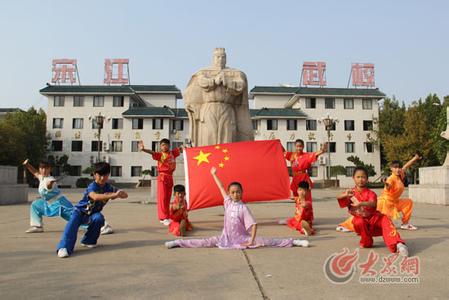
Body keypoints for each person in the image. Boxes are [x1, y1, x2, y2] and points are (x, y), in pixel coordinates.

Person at [165, 167, 309, 249]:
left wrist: (251, 240)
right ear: (230, 193)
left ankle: (294, 241)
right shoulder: (227, 201)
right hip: (225, 238)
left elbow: (253, 225)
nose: (235, 194)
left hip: (242, 239)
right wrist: (214, 174)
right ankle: (178, 243)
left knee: (268, 241)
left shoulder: (243, 208)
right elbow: (221, 187)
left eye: (238, 192)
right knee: (204, 242)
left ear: (242, 193)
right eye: (233, 192)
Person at [184, 47, 254, 146]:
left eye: (223, 57)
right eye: (218, 57)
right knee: (208, 137)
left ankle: (226, 161)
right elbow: (201, 82)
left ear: (226, 59)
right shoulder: (203, 72)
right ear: (213, 58)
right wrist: (214, 81)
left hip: (227, 108)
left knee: (227, 137)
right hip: (209, 107)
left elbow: (241, 85)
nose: (220, 59)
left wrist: (228, 81)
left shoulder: (235, 73)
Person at [56, 162, 128, 258]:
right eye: (100, 175)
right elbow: (95, 196)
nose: (102, 178)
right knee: (71, 226)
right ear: (94, 175)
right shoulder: (92, 186)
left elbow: (125, 195)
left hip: (92, 215)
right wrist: (113, 195)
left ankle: (88, 240)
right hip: (79, 212)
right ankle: (64, 247)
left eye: (105, 175)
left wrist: (120, 193)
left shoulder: (109, 187)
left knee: (99, 218)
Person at [336, 153, 422, 232]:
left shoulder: (400, 174)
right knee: (364, 214)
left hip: (395, 201)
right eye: (395, 167)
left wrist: (415, 158)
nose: (398, 169)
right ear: (391, 169)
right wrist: (386, 184)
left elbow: (406, 166)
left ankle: (405, 224)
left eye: (398, 167)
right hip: (385, 203)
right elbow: (388, 186)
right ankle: (345, 225)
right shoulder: (391, 178)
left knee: (408, 203)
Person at [336, 166, 408, 256]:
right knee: (359, 223)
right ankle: (367, 241)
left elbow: (373, 203)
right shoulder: (350, 193)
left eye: (363, 177)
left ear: (366, 179)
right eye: (358, 177)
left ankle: (398, 244)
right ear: (353, 178)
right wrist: (345, 195)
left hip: (374, 218)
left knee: (385, 219)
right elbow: (338, 197)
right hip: (360, 221)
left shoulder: (371, 193)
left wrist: (361, 204)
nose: (360, 179)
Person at [281, 139, 327, 224]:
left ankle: (308, 217)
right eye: (297, 146)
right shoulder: (292, 155)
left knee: (306, 199)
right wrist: (278, 143)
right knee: (297, 199)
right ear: (295, 146)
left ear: (303, 147)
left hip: (303, 178)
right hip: (295, 179)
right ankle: (298, 216)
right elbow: (283, 152)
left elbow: (314, 154)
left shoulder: (306, 155)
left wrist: (322, 151)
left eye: (301, 146)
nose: (299, 148)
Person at [138, 139, 182, 226]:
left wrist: (186, 147)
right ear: (160, 147)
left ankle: (167, 216)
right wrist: (143, 149)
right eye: (162, 145)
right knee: (162, 198)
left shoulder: (173, 153)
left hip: (170, 177)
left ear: (169, 145)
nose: (164, 146)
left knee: (168, 198)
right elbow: (152, 152)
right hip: (162, 177)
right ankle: (162, 218)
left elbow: (181, 149)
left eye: (166, 145)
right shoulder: (160, 155)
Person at [23, 159, 73, 233]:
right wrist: (27, 165)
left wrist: (50, 184)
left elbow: (49, 187)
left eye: (46, 168)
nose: (43, 170)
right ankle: (37, 226)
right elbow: (35, 172)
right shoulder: (42, 177)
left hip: (60, 203)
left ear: (49, 169)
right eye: (41, 168)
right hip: (50, 203)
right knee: (35, 204)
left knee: (74, 217)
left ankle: (90, 225)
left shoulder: (50, 179)